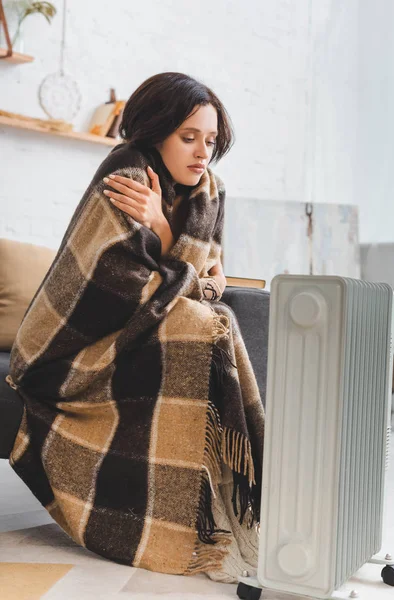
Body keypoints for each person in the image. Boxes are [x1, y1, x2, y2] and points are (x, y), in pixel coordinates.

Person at [7, 72, 265, 584]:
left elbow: (212, 283)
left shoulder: (208, 194)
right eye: (188, 137)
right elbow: (123, 285)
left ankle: (233, 508)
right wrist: (191, 274)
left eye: (210, 141)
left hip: (139, 324)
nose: (201, 153)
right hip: (71, 344)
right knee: (199, 327)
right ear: (156, 132)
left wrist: (165, 231)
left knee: (211, 322)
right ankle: (175, 525)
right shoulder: (124, 175)